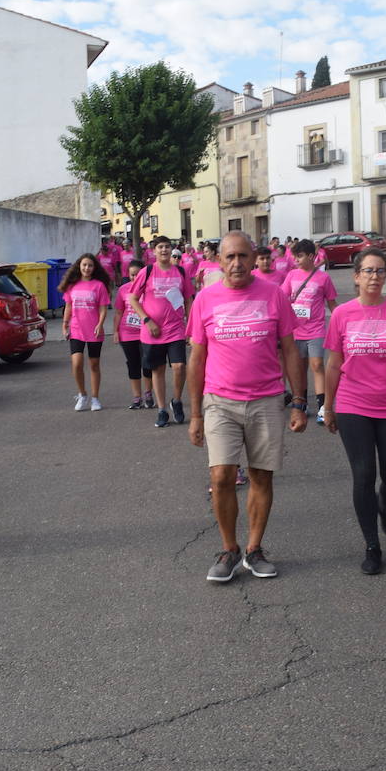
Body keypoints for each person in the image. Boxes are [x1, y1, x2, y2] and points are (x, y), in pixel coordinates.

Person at [188, 230, 308, 583]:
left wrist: (299, 401)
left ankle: (254, 549)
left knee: (260, 476)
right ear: (219, 261)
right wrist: (195, 413)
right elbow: (197, 359)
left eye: (243, 256)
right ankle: (229, 548)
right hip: (220, 401)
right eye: (230, 257)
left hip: (267, 399)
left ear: (255, 258)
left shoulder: (274, 295)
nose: (237, 263)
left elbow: (289, 350)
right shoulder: (205, 299)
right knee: (221, 476)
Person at [322, 251, 386, 575]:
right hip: (353, 404)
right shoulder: (343, 315)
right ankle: (372, 546)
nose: (374, 276)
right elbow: (333, 363)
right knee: (363, 474)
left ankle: (385, 504)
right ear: (356, 276)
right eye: (368, 271)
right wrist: (328, 405)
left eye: (380, 271)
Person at [128, 235, 196, 427]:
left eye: (167, 247)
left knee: (179, 367)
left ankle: (176, 401)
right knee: (157, 370)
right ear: (154, 251)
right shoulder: (147, 271)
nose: (164, 250)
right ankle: (161, 410)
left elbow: (189, 299)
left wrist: (190, 325)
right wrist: (147, 320)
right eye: (160, 247)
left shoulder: (180, 272)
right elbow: (133, 298)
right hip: (152, 332)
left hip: (175, 328)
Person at [282, 239, 337, 423]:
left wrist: (345, 324)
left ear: (311, 257)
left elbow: (332, 304)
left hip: (316, 330)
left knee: (317, 365)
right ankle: (302, 402)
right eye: (294, 256)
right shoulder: (291, 276)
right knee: (299, 368)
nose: (295, 260)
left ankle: (323, 406)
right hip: (296, 331)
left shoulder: (323, 278)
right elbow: (282, 299)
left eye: (300, 256)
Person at [59, 253, 112, 412]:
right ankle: (82, 395)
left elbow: (103, 308)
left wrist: (100, 324)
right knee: (76, 364)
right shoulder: (72, 285)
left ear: (94, 268)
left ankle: (95, 398)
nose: (87, 268)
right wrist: (64, 324)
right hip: (76, 329)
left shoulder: (99, 286)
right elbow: (68, 306)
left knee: (94, 364)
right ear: (79, 266)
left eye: (90, 265)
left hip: (94, 330)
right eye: (84, 265)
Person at [114, 258, 155, 408]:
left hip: (145, 333)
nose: (135, 278)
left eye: (138, 275)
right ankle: (137, 397)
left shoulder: (150, 289)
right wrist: (116, 331)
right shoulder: (123, 290)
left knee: (147, 364)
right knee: (133, 364)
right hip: (127, 333)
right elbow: (119, 312)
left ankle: (148, 393)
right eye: (132, 275)